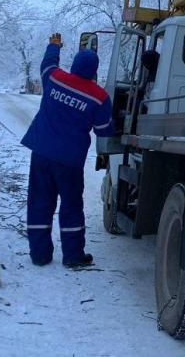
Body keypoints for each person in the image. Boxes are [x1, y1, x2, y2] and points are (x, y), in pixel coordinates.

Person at [21, 32, 116, 268]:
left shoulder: (54, 78)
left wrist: (54, 45)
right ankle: (73, 256)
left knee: (40, 202)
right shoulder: (99, 97)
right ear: (94, 72)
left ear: (73, 65)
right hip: (70, 162)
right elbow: (104, 130)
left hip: (41, 152)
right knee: (71, 205)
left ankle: (39, 254)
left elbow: (47, 64)